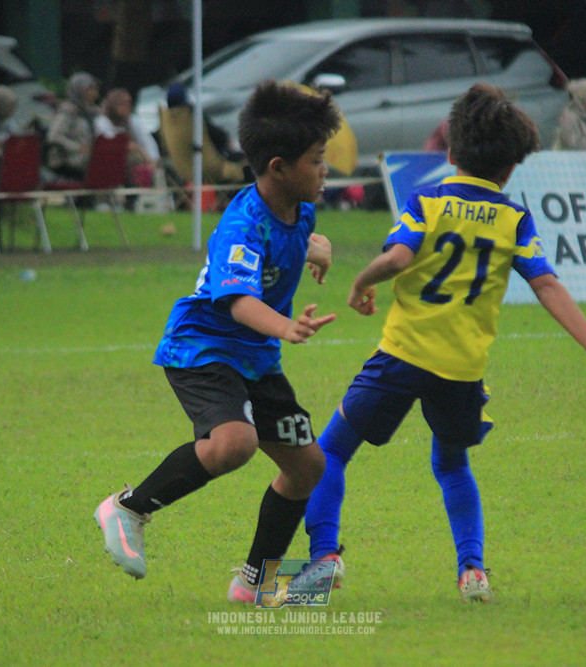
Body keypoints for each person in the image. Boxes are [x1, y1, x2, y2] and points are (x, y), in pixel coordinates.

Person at [296, 83, 586, 604]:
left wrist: (362, 283)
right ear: (510, 168)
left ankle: (324, 560)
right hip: (462, 370)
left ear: (450, 152)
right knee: (451, 464)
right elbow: (546, 284)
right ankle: (472, 571)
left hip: (401, 357)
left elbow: (399, 259)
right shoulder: (514, 218)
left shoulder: (428, 200)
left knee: (330, 453)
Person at [93, 80, 343, 604]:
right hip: (202, 346)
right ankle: (128, 508)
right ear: (278, 167)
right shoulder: (241, 225)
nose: (327, 170)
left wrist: (318, 253)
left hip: (255, 358)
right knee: (235, 443)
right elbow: (237, 302)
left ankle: (254, 584)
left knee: (307, 467)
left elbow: (303, 239)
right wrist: (286, 327)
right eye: (317, 160)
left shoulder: (300, 207)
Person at [94, 87, 159, 187]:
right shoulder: (101, 122)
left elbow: (147, 142)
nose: (127, 107)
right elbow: (113, 143)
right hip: (109, 166)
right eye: (122, 103)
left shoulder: (133, 121)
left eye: (128, 103)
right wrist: (139, 150)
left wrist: (152, 161)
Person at [45, 71, 99, 180]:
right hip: (67, 159)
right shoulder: (68, 111)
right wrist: (77, 148)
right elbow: (54, 136)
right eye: (90, 89)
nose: (94, 92)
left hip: (84, 158)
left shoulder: (92, 112)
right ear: (80, 90)